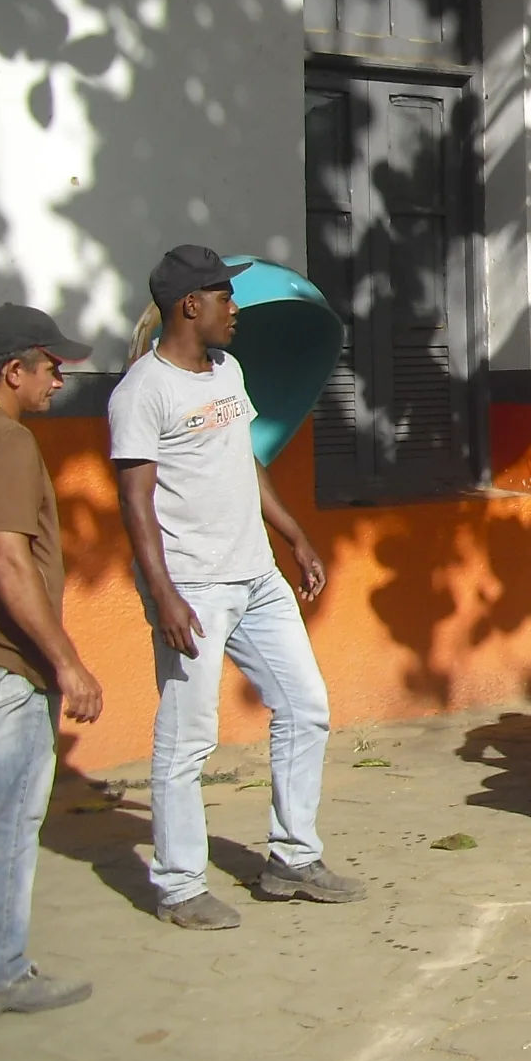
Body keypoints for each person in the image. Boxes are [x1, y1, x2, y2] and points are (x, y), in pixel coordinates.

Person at [109, 246, 363, 929]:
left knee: (305, 706)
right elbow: (134, 504)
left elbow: (245, 460)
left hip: (257, 576)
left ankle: (292, 859)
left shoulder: (228, 370)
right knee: (188, 737)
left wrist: (294, 535)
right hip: (193, 587)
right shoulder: (142, 391)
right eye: (226, 300)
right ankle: (180, 885)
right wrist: (162, 594)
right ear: (190, 305)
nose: (235, 313)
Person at [0, 305, 106, 1015]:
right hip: (3, 665)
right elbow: (7, 560)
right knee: (9, 818)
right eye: (52, 366)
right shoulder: (8, 443)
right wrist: (65, 661)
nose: (60, 379)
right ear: (14, 370)